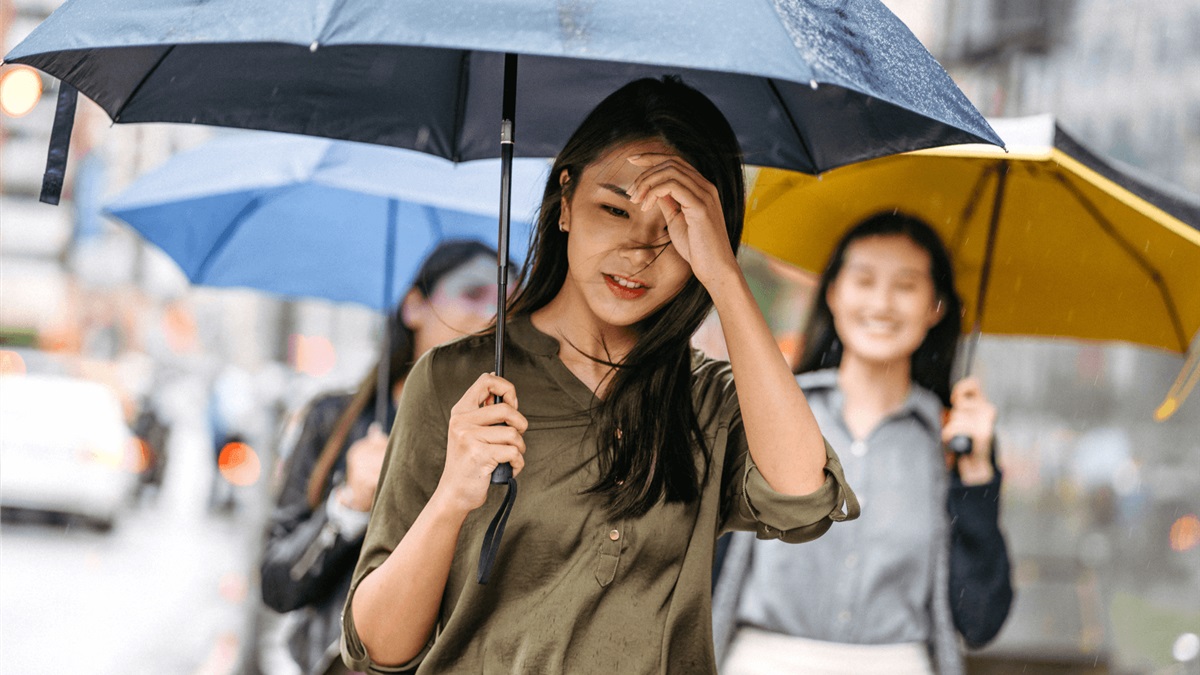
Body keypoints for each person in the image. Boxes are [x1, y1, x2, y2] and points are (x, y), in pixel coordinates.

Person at [340, 77, 859, 675]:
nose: (639, 251)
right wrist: (453, 496)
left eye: (673, 228)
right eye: (614, 210)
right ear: (565, 199)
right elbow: (377, 648)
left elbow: (801, 500)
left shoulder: (708, 398)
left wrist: (723, 274)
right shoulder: (455, 380)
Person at [711, 212, 1014, 675]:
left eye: (907, 286)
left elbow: (979, 621)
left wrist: (976, 476)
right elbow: (701, 575)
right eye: (864, 280)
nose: (882, 302)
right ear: (833, 293)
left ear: (936, 306)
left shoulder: (954, 441)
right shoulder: (766, 412)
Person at [260, 240, 501, 675]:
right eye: (472, 294)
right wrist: (348, 504)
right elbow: (278, 585)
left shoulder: (503, 440)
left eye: (508, 301)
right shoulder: (333, 421)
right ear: (414, 307)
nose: (492, 315)